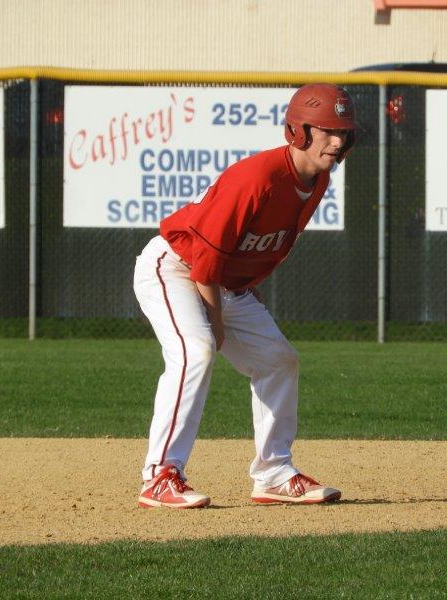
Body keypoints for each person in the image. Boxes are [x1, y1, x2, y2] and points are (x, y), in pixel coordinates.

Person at [133, 83, 356, 508]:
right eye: (326, 130)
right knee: (196, 350)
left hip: (223, 283)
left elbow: (257, 248)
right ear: (298, 131)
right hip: (177, 266)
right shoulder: (256, 177)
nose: (337, 140)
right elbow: (205, 257)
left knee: (279, 359)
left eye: (343, 132)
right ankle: (159, 475)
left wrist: (241, 300)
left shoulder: (318, 178)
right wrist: (217, 324)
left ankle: (273, 473)